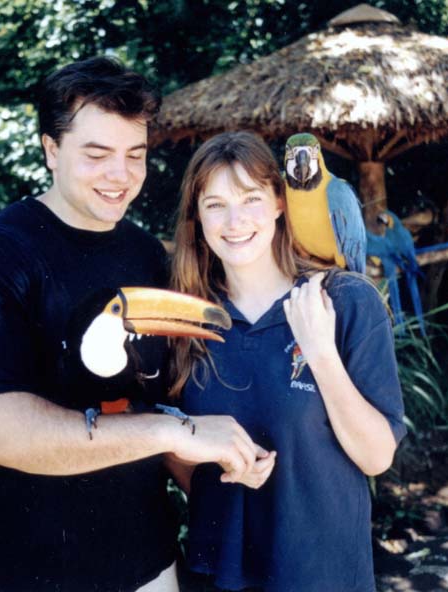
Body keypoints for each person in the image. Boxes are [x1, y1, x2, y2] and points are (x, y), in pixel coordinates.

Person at [0, 58, 265, 592]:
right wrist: (172, 431)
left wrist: (229, 474)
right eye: (97, 154)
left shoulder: (145, 254)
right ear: (51, 149)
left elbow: (157, 401)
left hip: (152, 565)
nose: (121, 175)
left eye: (135, 154)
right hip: (36, 577)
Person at [168, 131, 407, 592]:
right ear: (197, 217)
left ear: (280, 202)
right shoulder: (183, 317)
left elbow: (377, 456)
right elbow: (171, 448)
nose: (234, 221)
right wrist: (219, 462)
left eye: (251, 199)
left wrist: (320, 353)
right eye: (215, 204)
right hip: (218, 577)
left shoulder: (345, 300)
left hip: (322, 576)